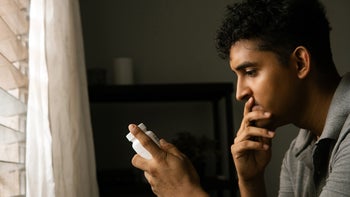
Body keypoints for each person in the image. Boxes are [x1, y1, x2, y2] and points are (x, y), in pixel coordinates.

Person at [128, 0, 350, 196]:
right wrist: (250, 181)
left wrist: (183, 191)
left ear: (300, 63)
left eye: (251, 72)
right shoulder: (297, 153)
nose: (240, 93)